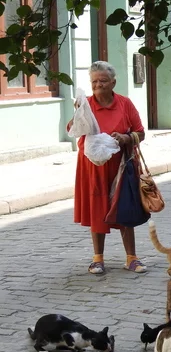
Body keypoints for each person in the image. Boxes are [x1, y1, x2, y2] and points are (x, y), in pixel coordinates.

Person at [67, 61, 147, 275]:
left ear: (113, 82)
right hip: (93, 167)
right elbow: (72, 130)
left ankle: (132, 257)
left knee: (125, 207)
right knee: (97, 209)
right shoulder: (86, 104)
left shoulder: (124, 103)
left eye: (103, 81)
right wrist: (78, 114)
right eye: (94, 81)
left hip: (121, 165)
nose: (98, 85)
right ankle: (97, 258)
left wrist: (126, 137)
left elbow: (140, 132)